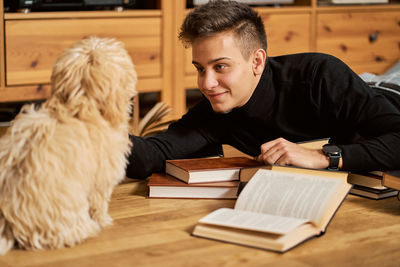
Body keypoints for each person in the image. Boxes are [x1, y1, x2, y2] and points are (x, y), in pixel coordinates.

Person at [126, 0, 400, 179]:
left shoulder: (320, 76)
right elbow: (151, 156)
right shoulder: (217, 108)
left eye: (220, 67)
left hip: (389, 90)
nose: (206, 84)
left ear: (257, 61)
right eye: (200, 69)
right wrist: (92, 128)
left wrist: (322, 157)